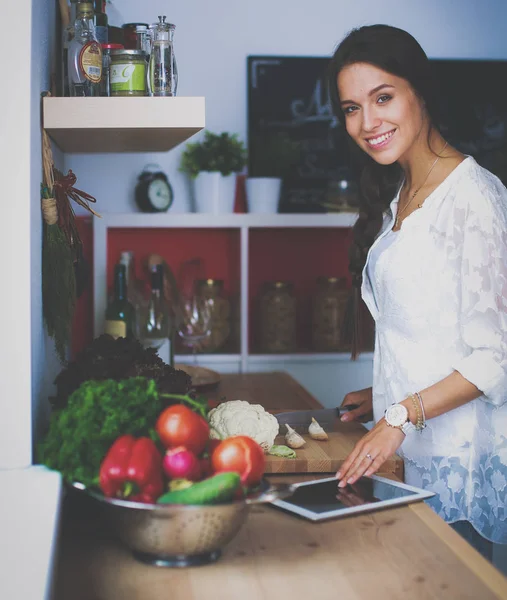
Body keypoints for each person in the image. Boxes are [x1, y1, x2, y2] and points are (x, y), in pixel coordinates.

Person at [327, 24, 507, 561]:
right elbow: (434, 330)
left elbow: (497, 355)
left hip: (455, 469)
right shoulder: (402, 193)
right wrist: (381, 392)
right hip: (409, 461)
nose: (367, 122)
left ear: (419, 92)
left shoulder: (472, 197)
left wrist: (399, 415)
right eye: (351, 108)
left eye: (383, 98)